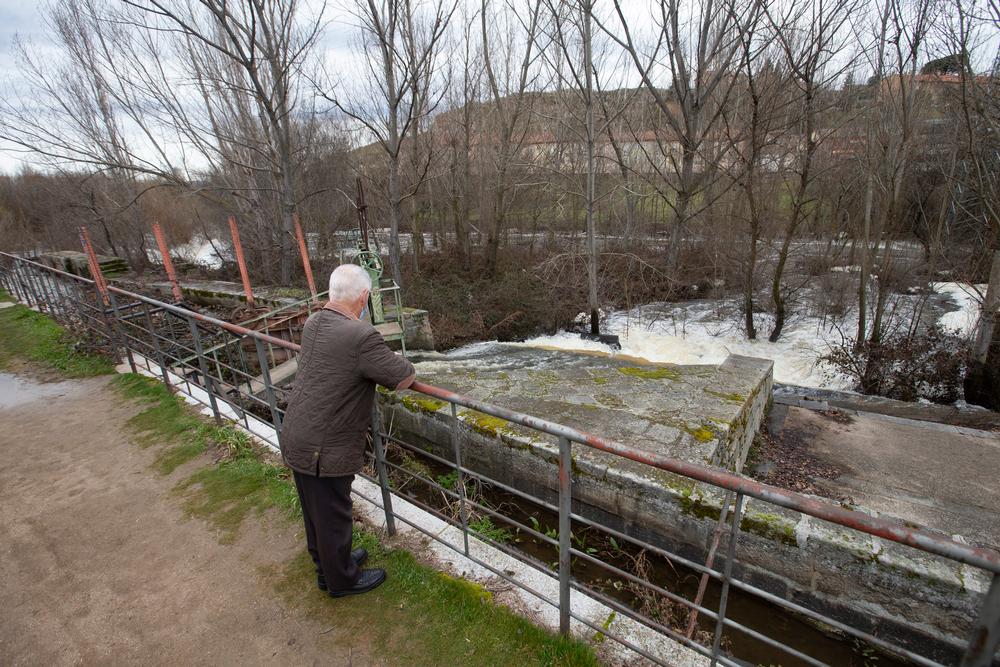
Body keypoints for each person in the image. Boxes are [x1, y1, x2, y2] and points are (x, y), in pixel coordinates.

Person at [280, 264, 415, 598]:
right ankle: (342, 579)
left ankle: (327, 568)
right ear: (365, 297)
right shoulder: (361, 336)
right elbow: (401, 376)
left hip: (298, 432)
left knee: (315, 513)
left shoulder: (314, 322)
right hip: (323, 446)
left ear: (331, 293)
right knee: (333, 516)